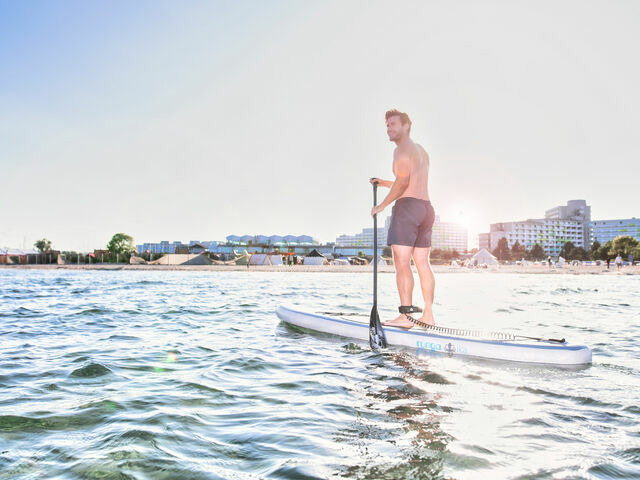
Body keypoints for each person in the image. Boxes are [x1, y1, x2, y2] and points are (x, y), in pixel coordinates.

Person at [370, 109, 435, 328]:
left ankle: (405, 317)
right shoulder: (421, 151)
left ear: (406, 126)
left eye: (393, 124)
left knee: (401, 263)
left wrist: (382, 205)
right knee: (422, 264)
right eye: (387, 125)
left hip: (407, 209)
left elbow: (403, 184)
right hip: (426, 208)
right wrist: (385, 183)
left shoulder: (401, 150)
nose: (389, 129)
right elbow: (409, 179)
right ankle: (428, 315)